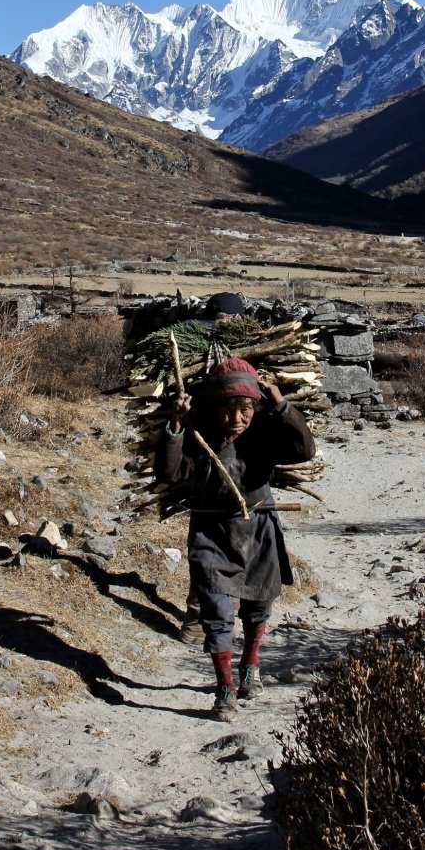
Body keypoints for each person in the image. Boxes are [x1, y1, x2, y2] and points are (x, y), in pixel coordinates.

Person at [154, 357, 316, 721]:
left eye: (245, 409)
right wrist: (176, 425)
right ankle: (224, 689)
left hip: (258, 529)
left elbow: (304, 451)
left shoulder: (263, 432)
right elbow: (168, 473)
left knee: (259, 605)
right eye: (228, 410)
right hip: (211, 533)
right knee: (216, 612)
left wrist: (281, 405)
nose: (237, 419)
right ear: (214, 408)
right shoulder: (198, 434)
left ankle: (250, 664)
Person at [178, 291, 246, 644]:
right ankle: (219, 619)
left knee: (202, 546)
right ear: (235, 318)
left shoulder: (191, 350)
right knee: (233, 547)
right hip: (235, 468)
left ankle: (196, 621)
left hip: (203, 466)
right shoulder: (242, 351)